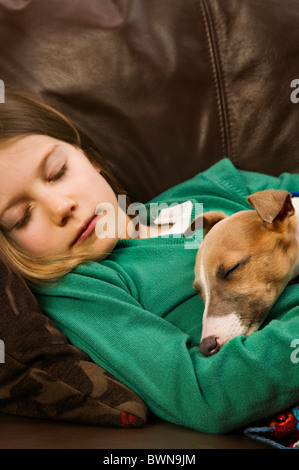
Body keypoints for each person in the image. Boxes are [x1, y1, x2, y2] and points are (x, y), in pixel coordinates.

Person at [0, 90, 299, 433]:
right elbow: (204, 396)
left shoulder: (210, 189)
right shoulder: (81, 290)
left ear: (89, 157)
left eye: (58, 171)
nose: (60, 206)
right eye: (21, 217)